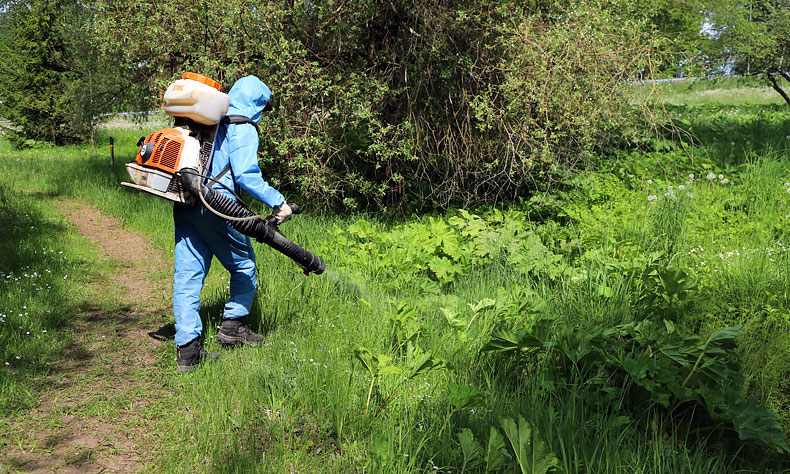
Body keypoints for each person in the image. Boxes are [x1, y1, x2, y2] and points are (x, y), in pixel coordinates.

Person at [173, 75, 291, 374]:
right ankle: (233, 327)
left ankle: (188, 352)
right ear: (258, 104)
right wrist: (279, 203)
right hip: (217, 207)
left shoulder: (210, 121)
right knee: (244, 266)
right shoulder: (242, 126)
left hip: (186, 202)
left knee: (188, 275)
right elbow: (247, 175)